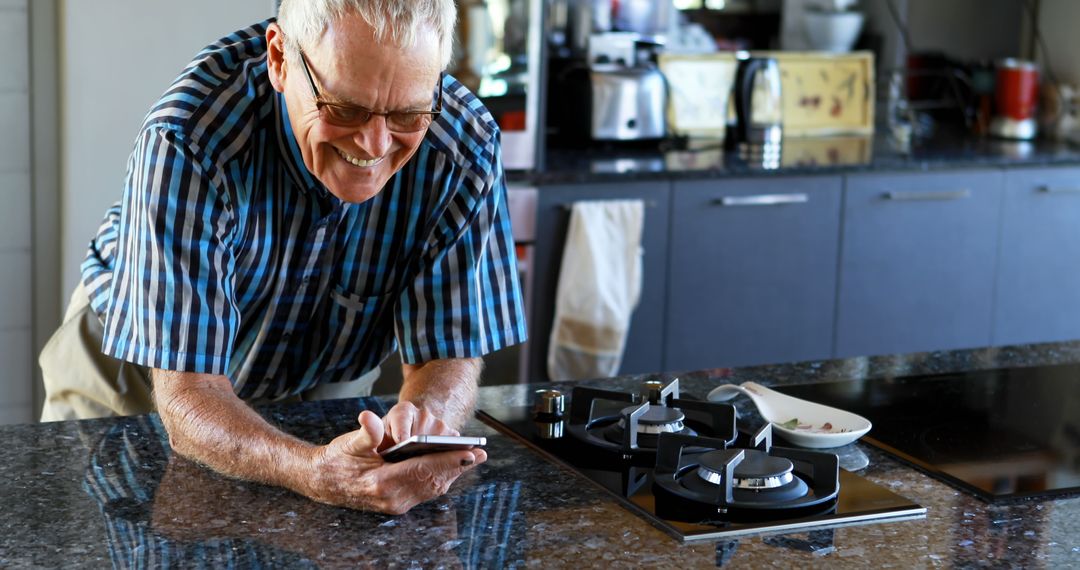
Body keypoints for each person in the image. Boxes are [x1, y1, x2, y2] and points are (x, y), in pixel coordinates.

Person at [38, 0, 527, 515]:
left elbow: (448, 349)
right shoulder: (190, 137)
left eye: (408, 113)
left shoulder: (464, 146)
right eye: (345, 109)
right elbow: (188, 395)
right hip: (141, 371)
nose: (376, 144)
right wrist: (310, 471)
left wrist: (422, 428)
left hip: (321, 373)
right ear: (279, 59)